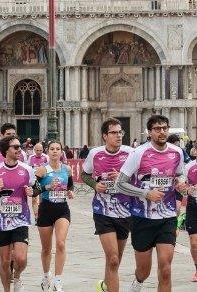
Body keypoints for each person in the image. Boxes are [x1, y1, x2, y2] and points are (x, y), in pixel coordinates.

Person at [116, 115, 185, 292]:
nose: (162, 132)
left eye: (164, 128)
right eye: (157, 129)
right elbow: (120, 183)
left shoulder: (176, 152)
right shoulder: (138, 153)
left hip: (167, 216)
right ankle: (137, 283)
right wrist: (146, 194)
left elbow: (179, 175)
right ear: (149, 132)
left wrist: (180, 183)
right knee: (143, 271)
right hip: (142, 218)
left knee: (166, 269)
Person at [81, 118, 132, 292]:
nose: (118, 136)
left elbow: (139, 179)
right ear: (104, 136)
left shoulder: (131, 153)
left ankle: (104, 286)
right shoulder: (95, 153)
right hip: (102, 210)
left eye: (120, 132)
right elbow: (85, 175)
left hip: (125, 211)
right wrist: (95, 185)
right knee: (113, 259)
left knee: (115, 260)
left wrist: (122, 179)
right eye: (114, 132)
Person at [0, 136, 39, 292]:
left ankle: (17, 276)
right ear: (6, 150)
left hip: (20, 219)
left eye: (19, 146)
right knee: (4, 261)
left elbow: (37, 188)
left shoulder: (27, 169)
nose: (19, 149)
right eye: (15, 147)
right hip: (1, 221)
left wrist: (33, 191)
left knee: (21, 259)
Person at [35, 141, 74, 292]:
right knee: (46, 248)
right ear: (48, 151)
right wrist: (48, 186)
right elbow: (34, 190)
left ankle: (58, 280)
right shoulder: (42, 170)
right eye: (52, 149)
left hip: (62, 209)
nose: (55, 151)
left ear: (61, 152)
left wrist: (70, 192)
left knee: (61, 244)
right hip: (45, 209)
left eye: (58, 149)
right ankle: (46, 275)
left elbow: (70, 186)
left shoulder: (67, 169)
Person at [184, 156, 197, 282]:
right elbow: (182, 186)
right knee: (194, 243)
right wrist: (187, 190)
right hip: (193, 207)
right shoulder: (189, 166)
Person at [28, 143, 49, 218]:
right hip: (34, 180)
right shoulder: (31, 157)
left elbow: (48, 168)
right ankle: (36, 217)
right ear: (34, 150)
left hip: (43, 179)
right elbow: (28, 168)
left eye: (40, 150)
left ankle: (42, 214)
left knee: (42, 198)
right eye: (37, 150)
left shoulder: (46, 157)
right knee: (34, 199)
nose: (39, 152)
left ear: (43, 150)